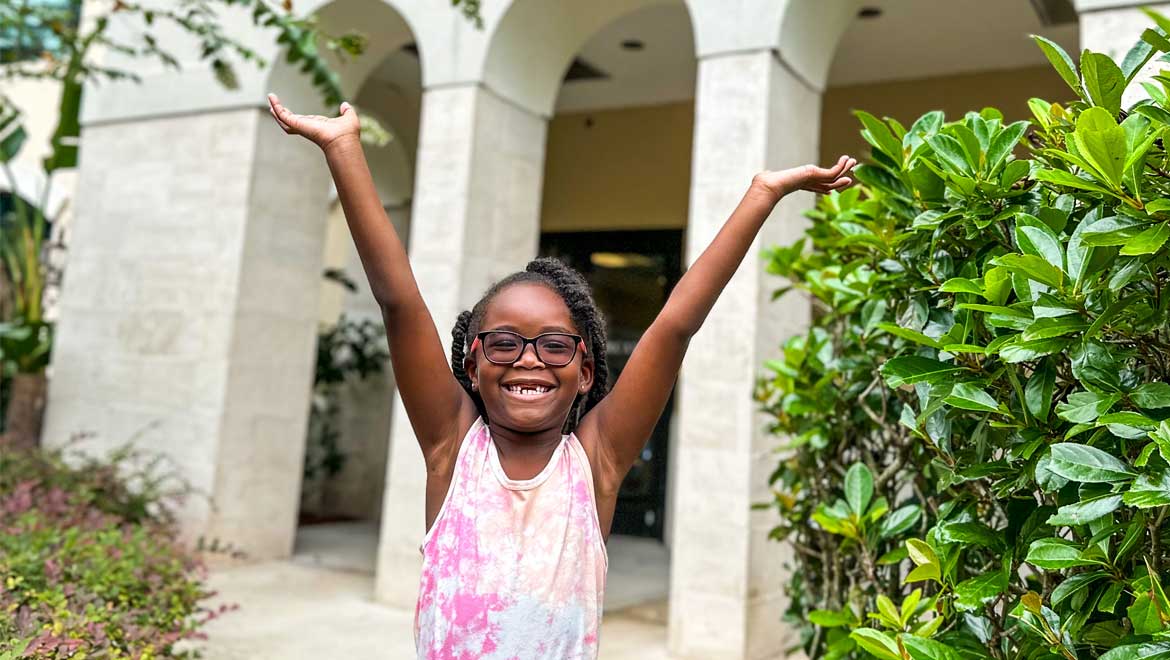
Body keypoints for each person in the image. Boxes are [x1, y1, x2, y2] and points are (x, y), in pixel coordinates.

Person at [267, 94, 855, 659]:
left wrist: (762, 194)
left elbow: (675, 326)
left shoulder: (595, 463)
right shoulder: (453, 447)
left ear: (585, 371)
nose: (529, 360)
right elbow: (398, 301)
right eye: (505, 343)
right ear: (472, 363)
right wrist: (344, 149)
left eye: (554, 346)